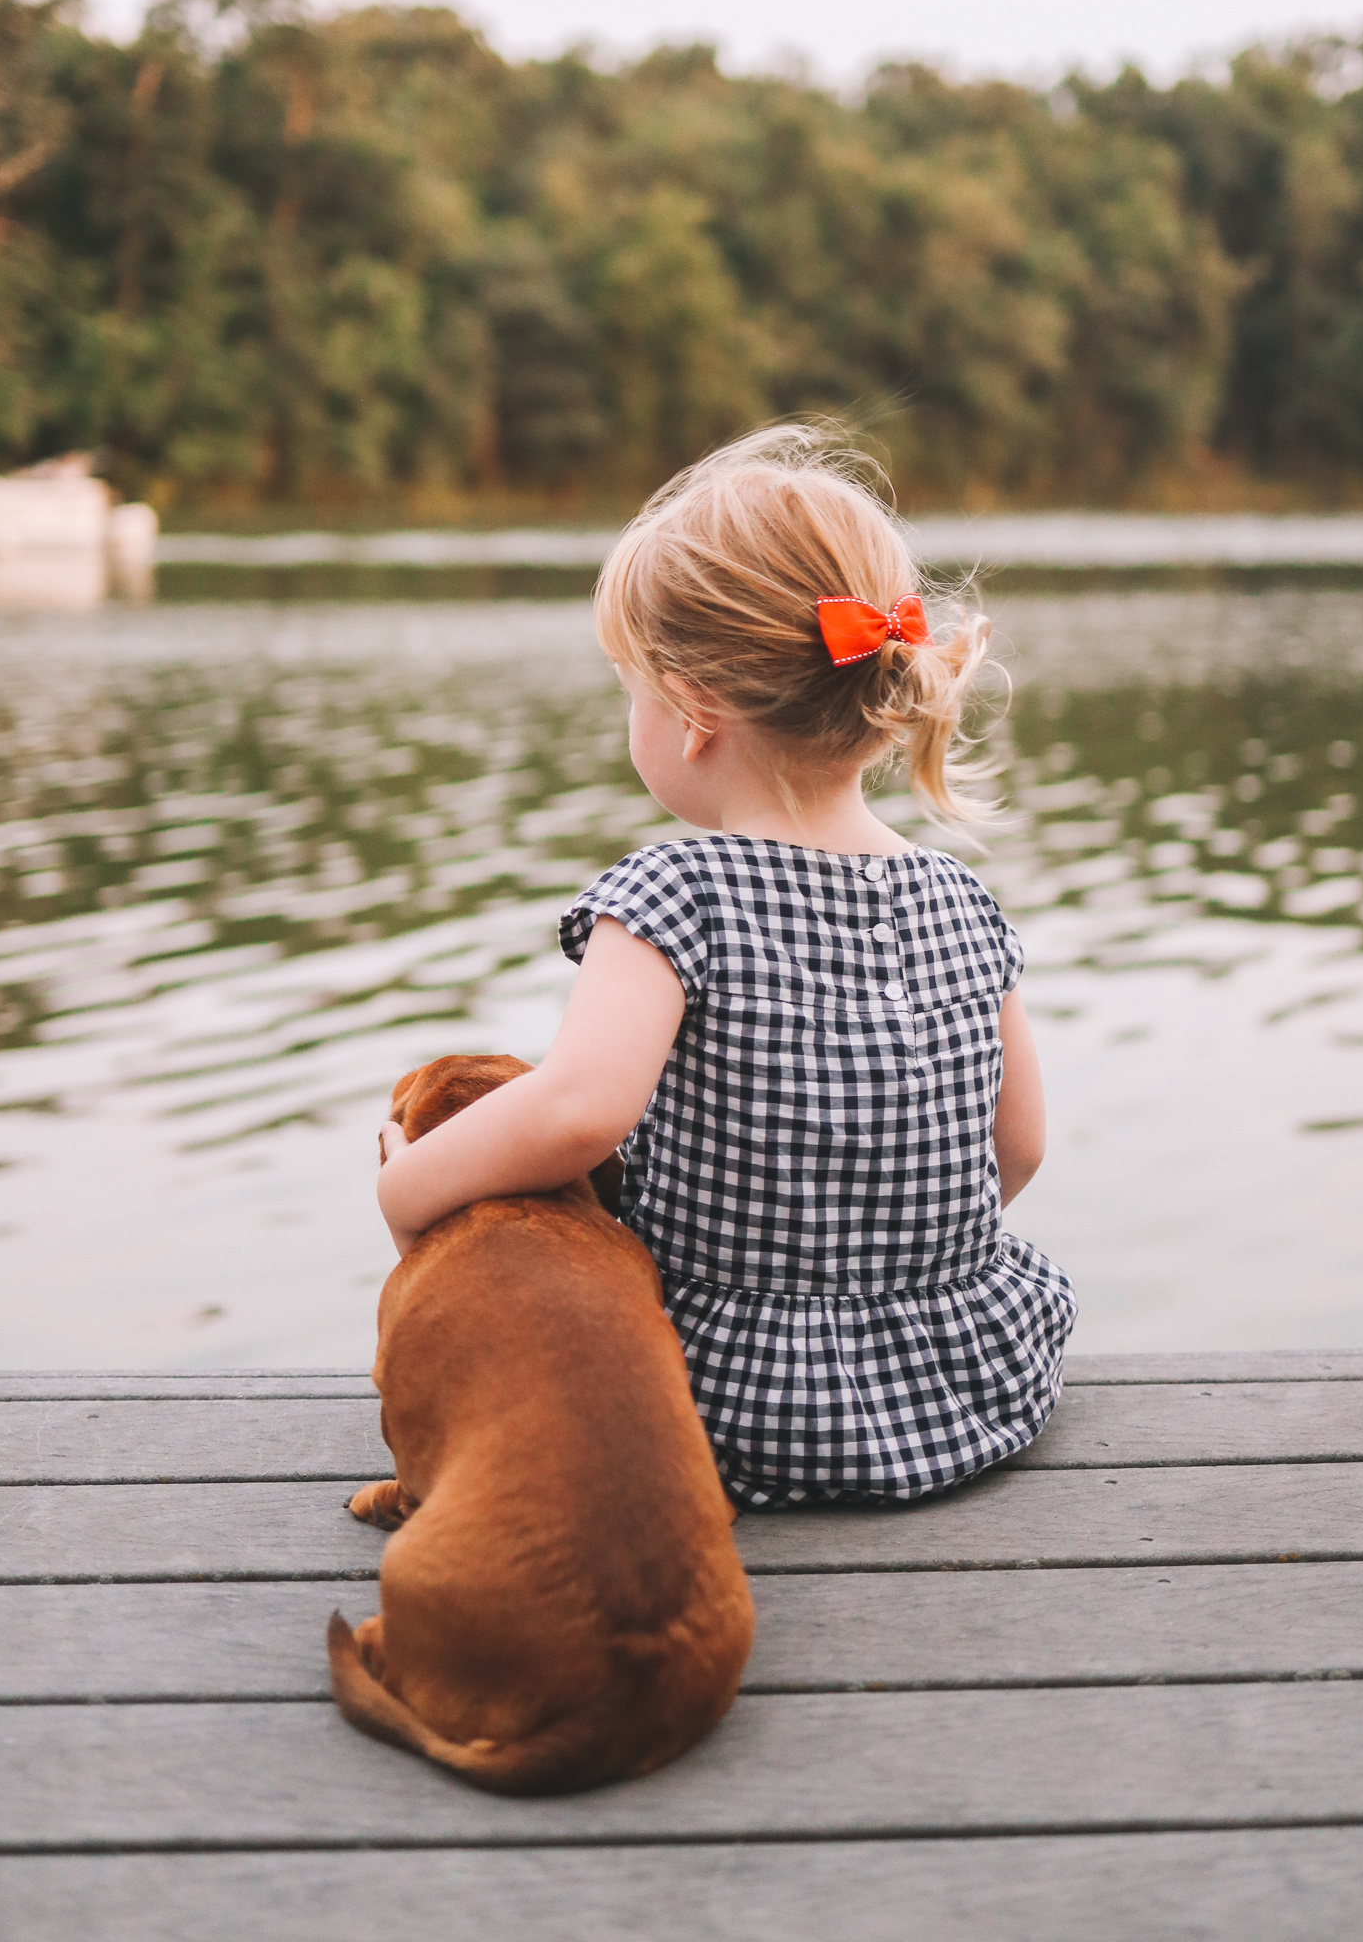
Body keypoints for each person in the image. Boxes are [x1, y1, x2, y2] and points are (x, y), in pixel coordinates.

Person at [376, 426, 1074, 1508]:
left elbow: (576, 1115)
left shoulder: (676, 895)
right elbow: (1017, 1151)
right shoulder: (962, 900)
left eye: (632, 690)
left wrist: (406, 1185)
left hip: (728, 1404)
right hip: (968, 1383)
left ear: (695, 710)